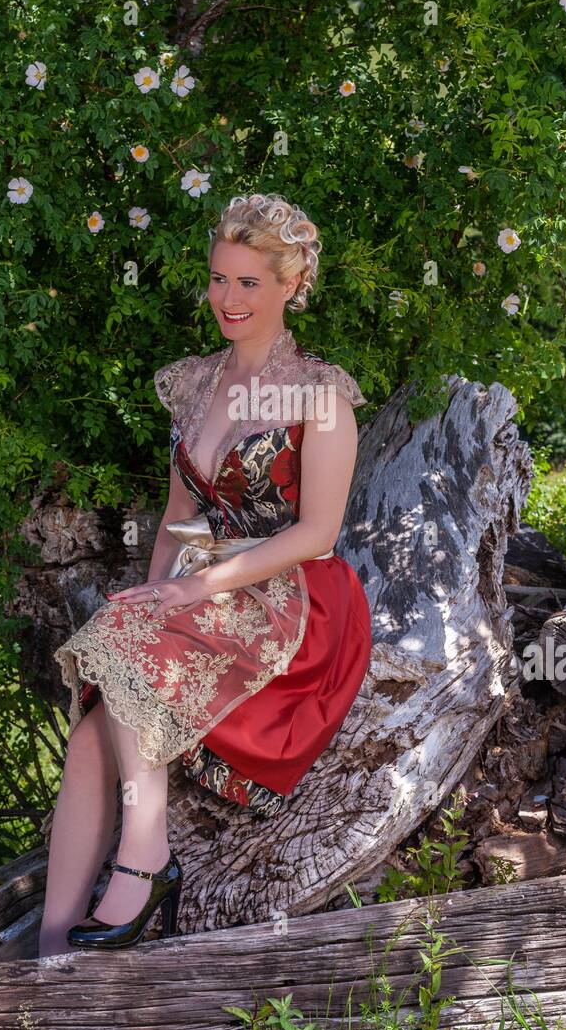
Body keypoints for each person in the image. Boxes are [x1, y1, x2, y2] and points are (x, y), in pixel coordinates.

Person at [37, 193, 372, 956]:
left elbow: (318, 533)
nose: (227, 299)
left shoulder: (319, 395)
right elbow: (178, 516)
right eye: (219, 279)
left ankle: (147, 855)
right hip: (207, 587)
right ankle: (51, 948)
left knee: (120, 650)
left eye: (249, 283)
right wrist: (158, 595)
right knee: (92, 732)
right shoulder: (195, 385)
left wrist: (191, 589)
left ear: (292, 285)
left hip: (297, 600)